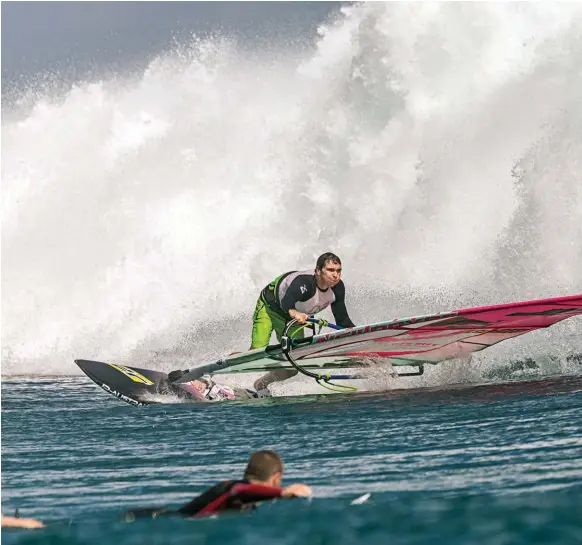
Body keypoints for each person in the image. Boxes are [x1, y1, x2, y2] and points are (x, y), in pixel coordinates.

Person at [251, 252, 355, 396]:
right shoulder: (304, 283)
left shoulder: (337, 288)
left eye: (338, 271)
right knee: (255, 352)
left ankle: (261, 383)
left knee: (294, 365)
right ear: (318, 271)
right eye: (330, 270)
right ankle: (212, 374)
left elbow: (342, 320)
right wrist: (294, 313)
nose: (335, 275)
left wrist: (363, 337)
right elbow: (287, 301)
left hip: (294, 319)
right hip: (270, 308)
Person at [122, 449, 311, 521]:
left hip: (159, 517)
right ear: (276, 478)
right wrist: (283, 493)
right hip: (168, 523)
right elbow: (242, 492)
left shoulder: (230, 485)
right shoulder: (238, 489)